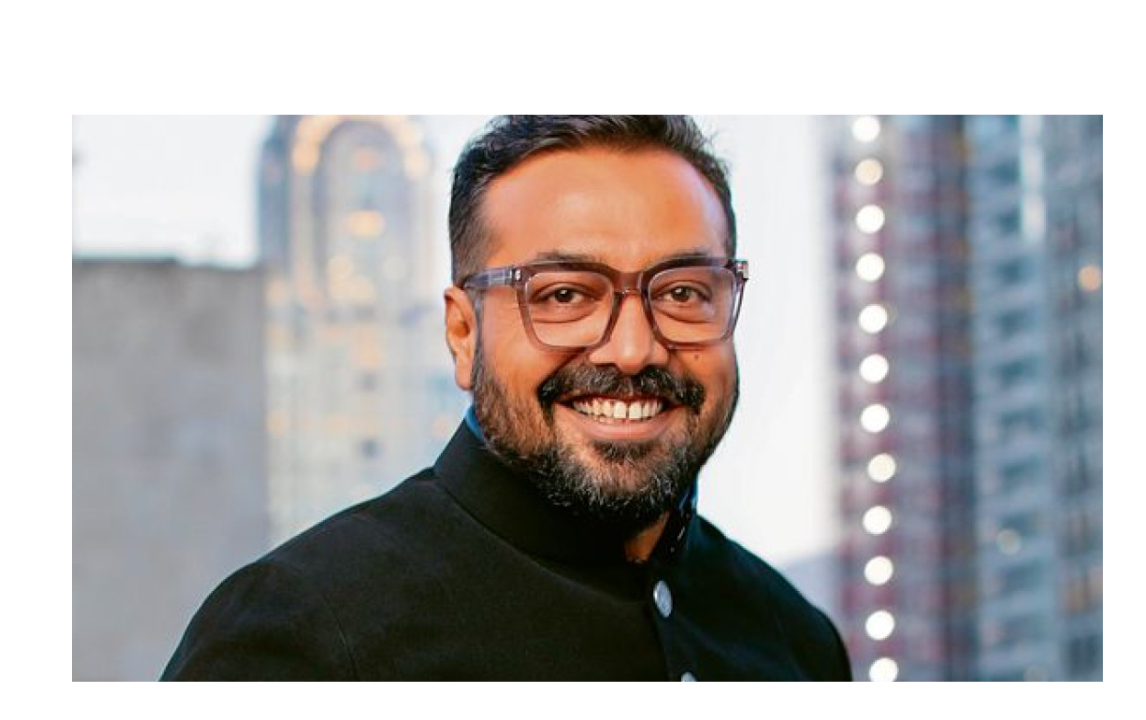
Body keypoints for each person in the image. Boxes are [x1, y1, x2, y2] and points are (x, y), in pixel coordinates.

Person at [162, 115, 851, 681]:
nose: (633, 349)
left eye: (682, 292)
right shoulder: (302, 636)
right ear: (463, 335)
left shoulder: (796, 643)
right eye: (565, 295)